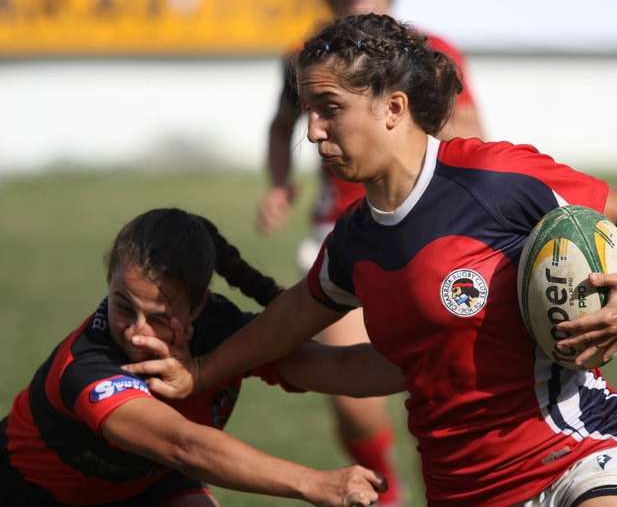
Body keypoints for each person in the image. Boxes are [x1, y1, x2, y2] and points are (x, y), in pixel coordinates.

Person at [128, 14, 617, 507]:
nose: (313, 131)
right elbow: (296, 324)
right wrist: (200, 372)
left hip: (581, 457)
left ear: (393, 108)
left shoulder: (493, 178)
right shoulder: (355, 241)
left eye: (330, 109)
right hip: (464, 491)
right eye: (308, 112)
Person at [0, 208, 385, 506]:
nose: (136, 330)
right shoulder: (86, 366)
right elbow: (185, 446)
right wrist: (315, 483)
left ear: (198, 306)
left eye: (159, 317)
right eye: (123, 306)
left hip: (148, 485)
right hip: (30, 494)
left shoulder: (220, 330)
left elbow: (340, 366)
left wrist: (434, 357)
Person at [257, 0, 483, 504]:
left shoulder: (429, 53)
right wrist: (278, 184)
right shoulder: (305, 58)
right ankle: (384, 493)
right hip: (340, 238)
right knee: (350, 398)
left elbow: (471, 134)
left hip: (427, 236)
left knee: (447, 383)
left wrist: (420, 121)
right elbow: (280, 126)